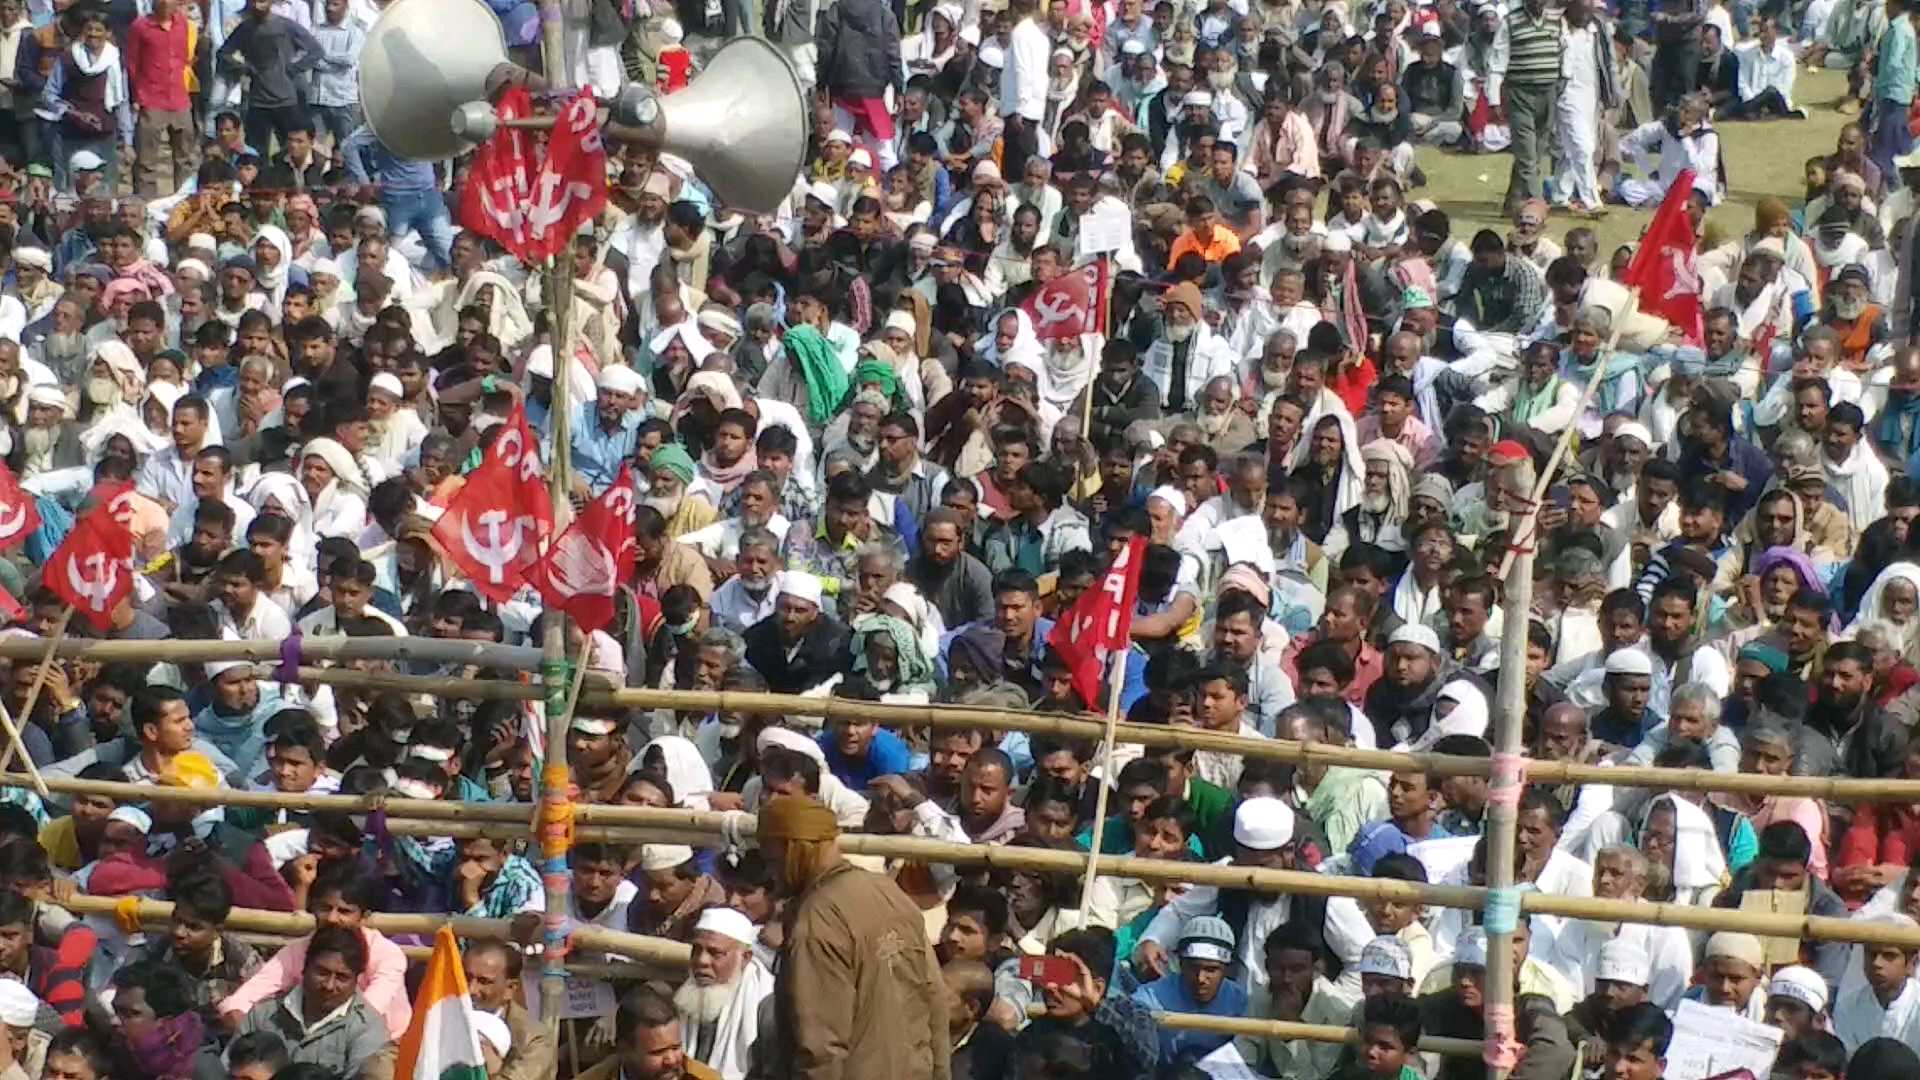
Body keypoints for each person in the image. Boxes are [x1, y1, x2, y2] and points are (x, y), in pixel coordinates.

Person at [757, 795, 949, 1076]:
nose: (771, 873)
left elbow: (820, 1047)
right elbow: (934, 1001)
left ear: (792, 849)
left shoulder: (818, 919)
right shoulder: (890, 894)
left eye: (771, 859)